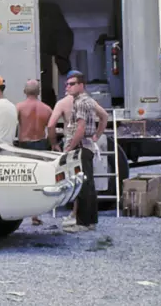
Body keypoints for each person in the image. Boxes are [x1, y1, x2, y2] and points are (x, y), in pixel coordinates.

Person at [47, 71, 108, 226]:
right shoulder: (88, 101)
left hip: (79, 146)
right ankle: (85, 219)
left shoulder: (79, 102)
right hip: (85, 145)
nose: (68, 87)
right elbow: (104, 116)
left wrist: (66, 147)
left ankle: (83, 222)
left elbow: (76, 128)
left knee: (82, 185)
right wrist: (96, 136)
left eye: (72, 84)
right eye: (67, 84)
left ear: (81, 85)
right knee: (85, 184)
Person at [16, 80, 53, 226]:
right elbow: (51, 130)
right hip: (41, 143)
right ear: (38, 92)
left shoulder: (19, 107)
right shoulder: (47, 109)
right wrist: (53, 143)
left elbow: (13, 125)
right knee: (40, 179)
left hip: (24, 144)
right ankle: (36, 214)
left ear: (25, 91)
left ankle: (21, 211)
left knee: (24, 178)